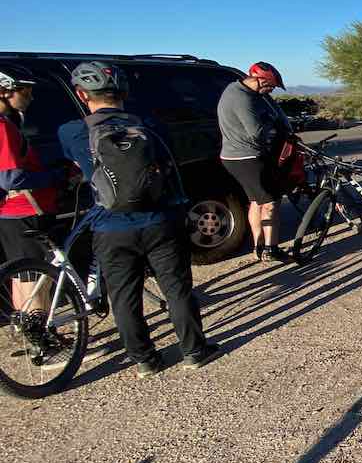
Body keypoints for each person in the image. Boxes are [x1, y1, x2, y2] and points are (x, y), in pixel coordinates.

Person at [59, 61, 216, 376]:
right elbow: (169, 168)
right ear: (124, 92)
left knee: (124, 295)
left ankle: (144, 359)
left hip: (109, 225)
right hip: (159, 221)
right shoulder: (150, 125)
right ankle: (194, 351)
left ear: (81, 93)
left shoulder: (72, 132)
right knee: (176, 288)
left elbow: (75, 166)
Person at [0, 66, 63, 354]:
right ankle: (44, 342)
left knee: (21, 273)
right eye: (24, 90)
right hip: (26, 207)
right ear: (5, 91)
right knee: (38, 276)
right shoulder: (3, 126)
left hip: (11, 213)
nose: (30, 95)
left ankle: (27, 331)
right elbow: (10, 177)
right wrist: (52, 177)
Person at [217, 61, 292, 262]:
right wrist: (272, 124)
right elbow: (256, 133)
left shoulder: (234, 88)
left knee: (255, 200)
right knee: (270, 202)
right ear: (259, 80)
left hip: (235, 156)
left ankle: (258, 246)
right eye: (271, 86)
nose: (271, 91)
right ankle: (271, 249)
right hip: (246, 157)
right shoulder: (242, 99)